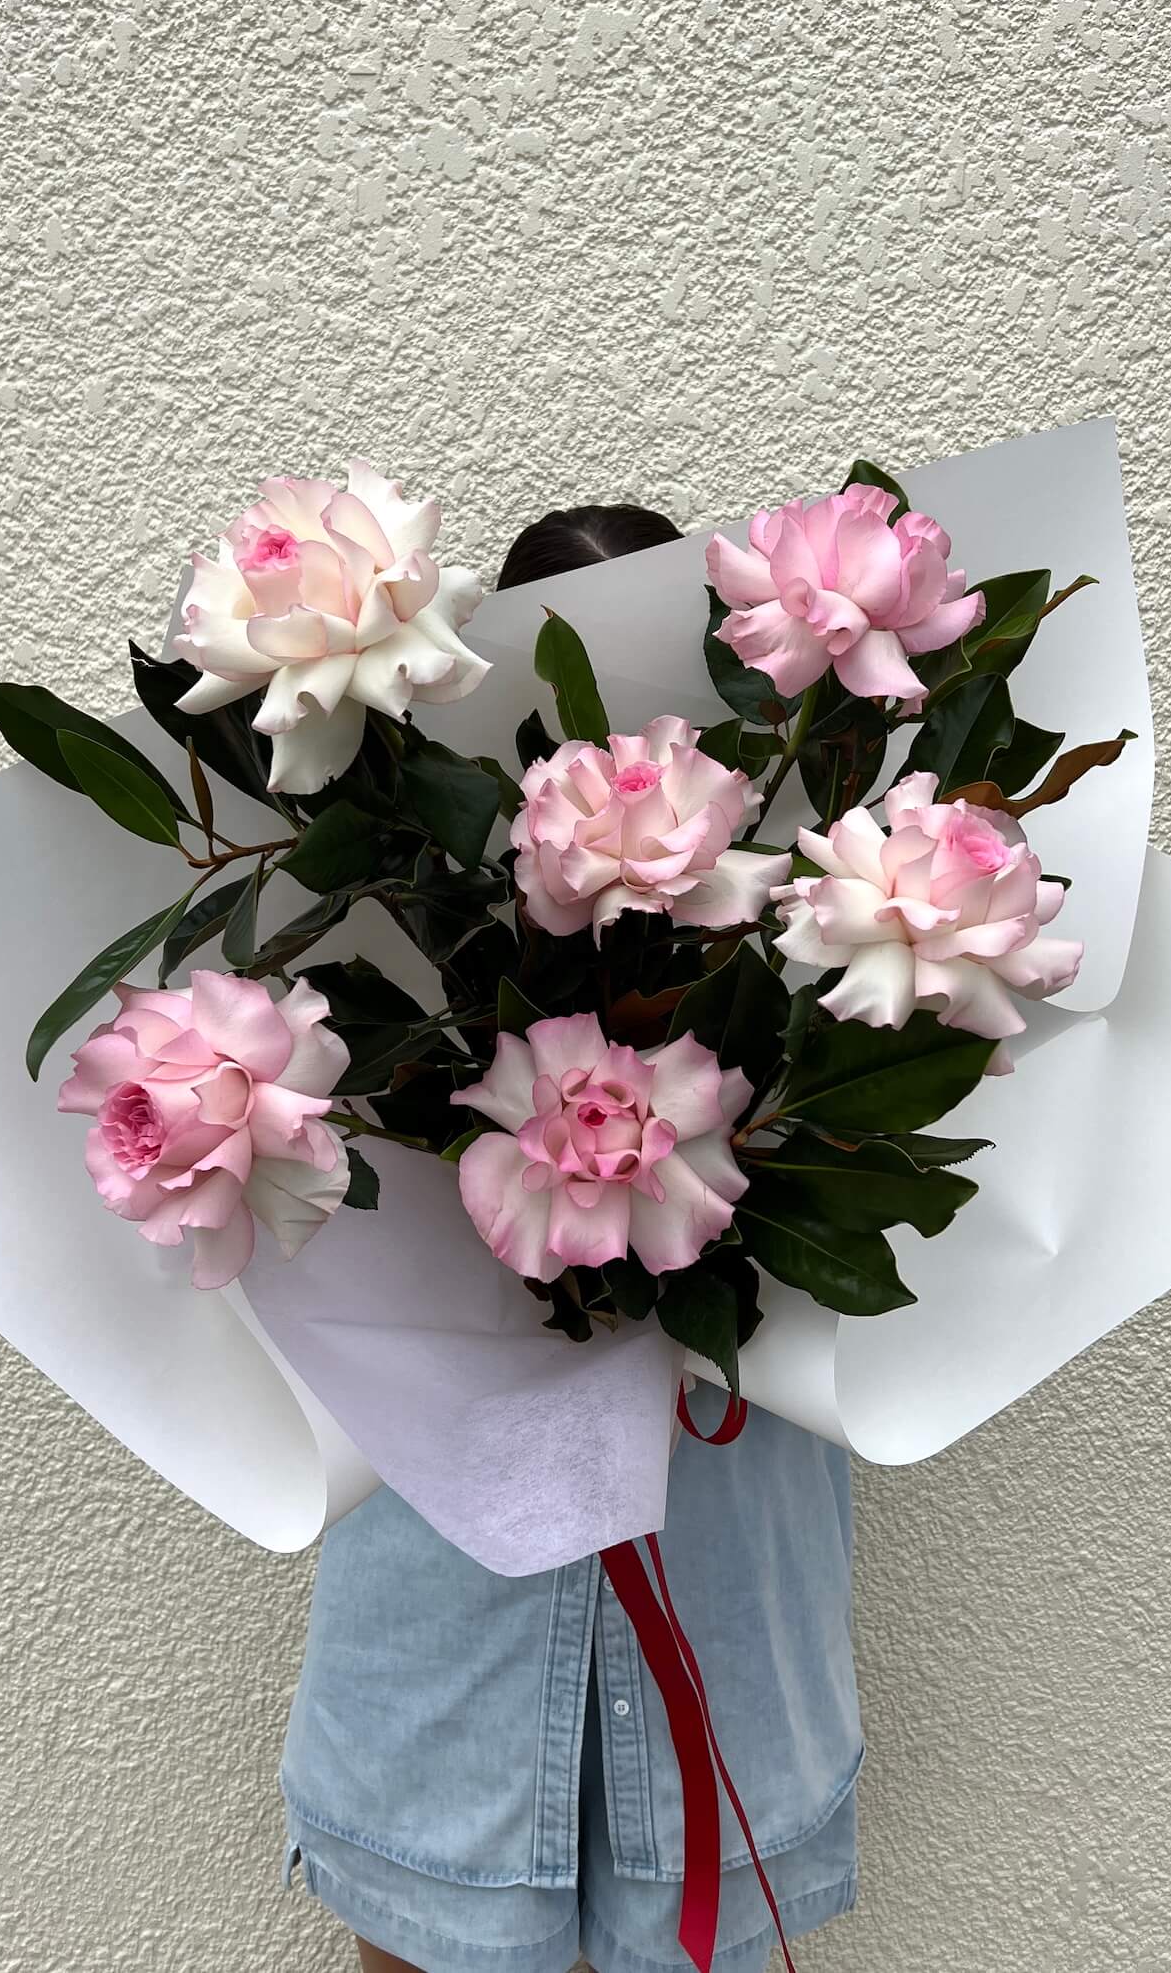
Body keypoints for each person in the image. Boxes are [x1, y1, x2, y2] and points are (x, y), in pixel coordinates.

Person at [280, 503, 864, 1973]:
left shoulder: (823, 980)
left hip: (733, 1611)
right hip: (442, 1653)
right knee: (435, 1911)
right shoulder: (389, 969)